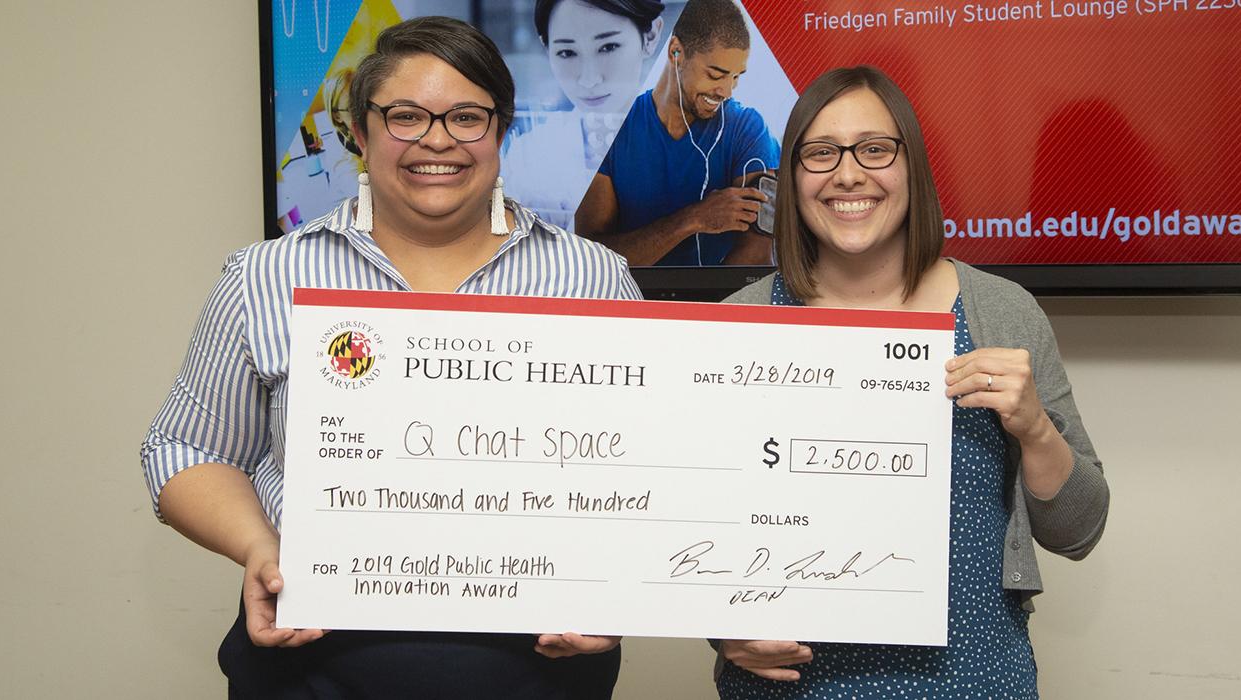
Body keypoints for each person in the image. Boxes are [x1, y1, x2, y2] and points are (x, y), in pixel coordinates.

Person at [141, 16, 639, 698]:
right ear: (361, 129)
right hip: (311, 665)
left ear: (503, 128)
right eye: (406, 115)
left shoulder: (594, 279)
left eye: (467, 116)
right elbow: (185, 449)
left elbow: (649, 469)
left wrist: (616, 584)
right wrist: (260, 549)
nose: (438, 140)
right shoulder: (265, 277)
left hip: (537, 667)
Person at [716, 65, 1109, 698]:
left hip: (975, 679)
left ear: (912, 168)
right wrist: (720, 630)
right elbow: (691, 531)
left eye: (874, 149)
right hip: (794, 687)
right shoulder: (737, 327)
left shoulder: (1001, 313)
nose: (848, 174)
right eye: (820, 154)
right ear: (790, 179)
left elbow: (1079, 530)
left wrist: (1035, 429)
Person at [575, 0, 779, 267]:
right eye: (716, 74)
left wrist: (705, 306)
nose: (727, 91)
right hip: (628, 301)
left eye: (736, 76)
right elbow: (593, 258)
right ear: (676, 52)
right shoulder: (611, 126)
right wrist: (693, 219)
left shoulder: (749, 129)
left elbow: (756, 255)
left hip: (720, 303)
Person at [503, 0, 666, 227]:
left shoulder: (699, 144)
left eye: (608, 47)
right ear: (547, 49)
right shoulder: (527, 156)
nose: (589, 79)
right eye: (567, 52)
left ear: (650, 36)